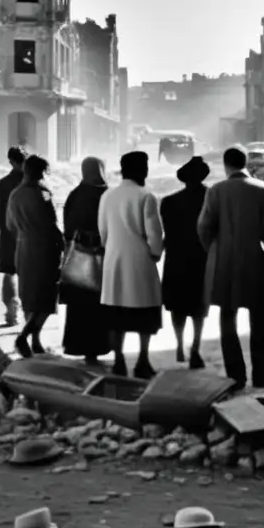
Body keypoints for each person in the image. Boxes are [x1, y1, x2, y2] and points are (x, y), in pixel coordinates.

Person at [198, 146, 264, 389]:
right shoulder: (263, 189)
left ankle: (236, 375)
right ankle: (260, 374)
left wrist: (212, 249)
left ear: (226, 165)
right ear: (246, 164)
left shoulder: (217, 190)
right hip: (255, 260)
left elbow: (204, 226)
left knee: (227, 316)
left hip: (224, 261)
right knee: (258, 317)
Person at [98, 151, 164, 379]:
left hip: (113, 261)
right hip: (140, 262)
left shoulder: (107, 196)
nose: (146, 171)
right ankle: (143, 361)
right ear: (139, 170)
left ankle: (118, 361)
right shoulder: (147, 196)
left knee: (116, 314)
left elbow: (103, 233)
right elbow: (154, 234)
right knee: (144, 314)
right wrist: (156, 253)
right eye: (145, 166)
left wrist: (112, 248)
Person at [5, 155, 64, 359]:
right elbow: (52, 222)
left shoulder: (14, 195)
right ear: (40, 172)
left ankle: (35, 341)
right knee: (46, 297)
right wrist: (63, 244)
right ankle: (26, 336)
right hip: (45, 249)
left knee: (30, 296)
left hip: (23, 249)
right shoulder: (44, 193)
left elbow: (10, 225)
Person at [160, 156, 212, 369]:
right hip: (201, 257)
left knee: (177, 306)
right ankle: (196, 349)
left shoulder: (169, 202)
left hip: (175, 258)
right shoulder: (210, 199)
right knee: (199, 307)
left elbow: (167, 232)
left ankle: (179, 345)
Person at [60, 157, 112, 366]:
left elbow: (68, 227)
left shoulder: (75, 195)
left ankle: (81, 347)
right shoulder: (108, 195)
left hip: (80, 258)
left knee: (81, 306)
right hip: (104, 258)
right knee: (100, 305)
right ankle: (99, 347)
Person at [0, 147, 25, 326]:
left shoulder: (2, 184)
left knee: (9, 272)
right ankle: (26, 309)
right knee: (28, 273)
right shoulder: (34, 182)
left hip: (8, 234)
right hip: (30, 234)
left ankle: (11, 308)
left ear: (11, 162)